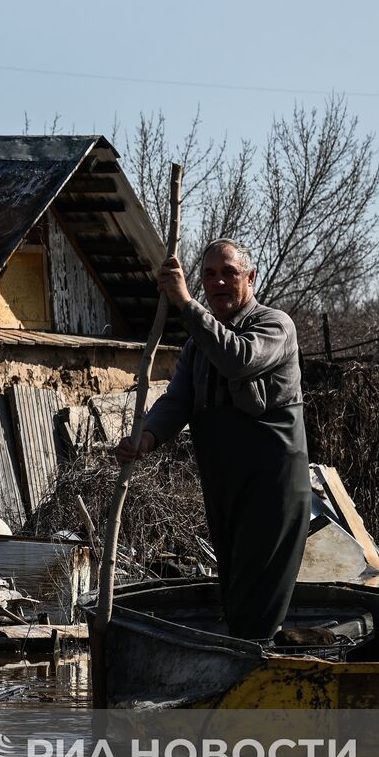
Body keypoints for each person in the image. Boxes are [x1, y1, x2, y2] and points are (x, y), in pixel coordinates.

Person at [114, 239, 309, 641]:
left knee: (257, 601)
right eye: (208, 275)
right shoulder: (196, 348)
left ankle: (255, 673)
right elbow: (176, 402)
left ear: (250, 278)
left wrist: (184, 303)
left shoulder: (275, 326)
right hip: (225, 489)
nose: (218, 282)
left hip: (272, 490)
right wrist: (145, 438)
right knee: (236, 592)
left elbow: (238, 359)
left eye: (229, 273)